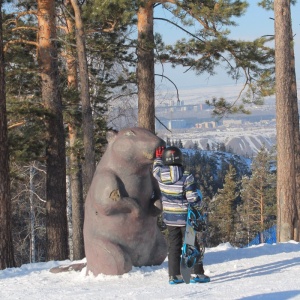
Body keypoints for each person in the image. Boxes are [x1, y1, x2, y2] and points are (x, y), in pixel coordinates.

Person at [153, 146, 210, 285]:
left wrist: (157, 158)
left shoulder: (160, 174)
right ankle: (197, 274)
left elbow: (155, 170)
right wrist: (198, 205)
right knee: (192, 246)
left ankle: (174, 276)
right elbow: (192, 197)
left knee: (174, 247)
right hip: (186, 219)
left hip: (170, 218)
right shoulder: (186, 175)